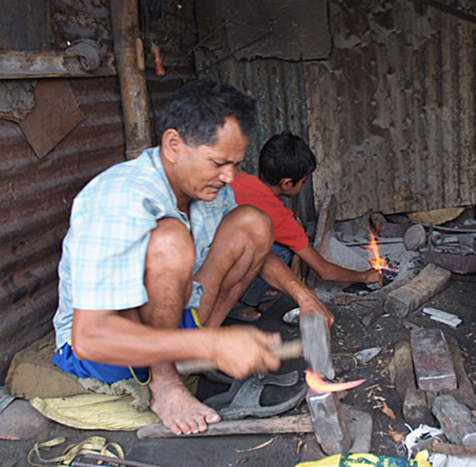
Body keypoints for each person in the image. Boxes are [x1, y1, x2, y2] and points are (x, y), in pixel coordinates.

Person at [51, 78, 334, 436]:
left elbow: (256, 254)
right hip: (102, 352)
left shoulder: (208, 190)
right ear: (173, 144)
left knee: (254, 223)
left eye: (235, 163)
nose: (229, 176)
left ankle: (194, 360)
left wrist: (305, 298)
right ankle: (166, 385)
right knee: (170, 239)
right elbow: (92, 338)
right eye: (218, 162)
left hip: (171, 327)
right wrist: (213, 344)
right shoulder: (119, 199)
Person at [230, 132, 381, 319]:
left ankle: (249, 290)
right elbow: (324, 271)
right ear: (286, 183)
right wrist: (365, 276)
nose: (303, 186)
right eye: (303, 182)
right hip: (221, 270)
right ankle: (241, 300)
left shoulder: (238, 179)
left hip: (207, 259)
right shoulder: (280, 217)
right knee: (283, 250)